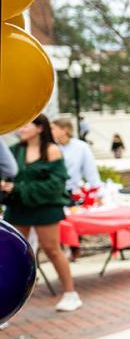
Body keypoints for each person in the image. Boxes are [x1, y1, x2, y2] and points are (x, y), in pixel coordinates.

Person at [4, 114, 79, 311]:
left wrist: (17, 188)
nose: (21, 129)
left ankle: (70, 293)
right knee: (13, 252)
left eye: (26, 124)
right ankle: (8, 302)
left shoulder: (52, 151)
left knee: (52, 249)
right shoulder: (14, 151)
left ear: (39, 128)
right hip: (19, 207)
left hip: (46, 208)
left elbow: (54, 185)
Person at [51, 117, 101, 196]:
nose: (50, 132)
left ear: (64, 130)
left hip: (73, 194)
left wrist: (98, 194)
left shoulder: (81, 147)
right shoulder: (50, 148)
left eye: (53, 129)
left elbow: (91, 172)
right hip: (53, 194)